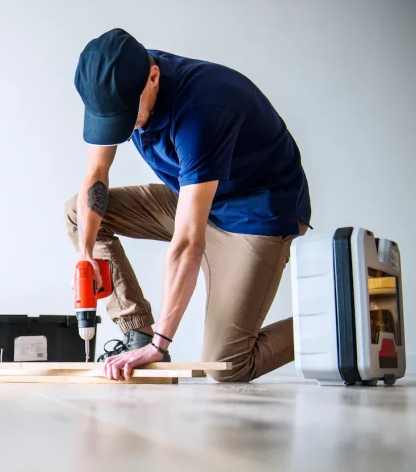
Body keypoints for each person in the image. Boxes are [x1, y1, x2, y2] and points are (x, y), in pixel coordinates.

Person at [66, 28, 311, 382]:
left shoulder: (204, 108)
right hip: (193, 196)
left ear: (153, 78)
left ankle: (341, 315)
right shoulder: (119, 79)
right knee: (79, 213)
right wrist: (86, 253)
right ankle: (138, 333)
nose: (122, 128)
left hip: (255, 215)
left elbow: (187, 242)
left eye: (125, 118)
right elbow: (96, 173)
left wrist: (161, 346)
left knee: (228, 365)